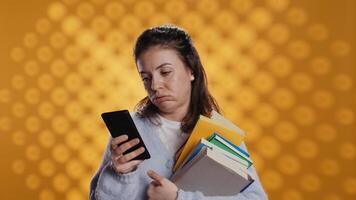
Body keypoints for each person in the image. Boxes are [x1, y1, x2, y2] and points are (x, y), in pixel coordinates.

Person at [89, 24, 268, 200]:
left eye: (165, 72)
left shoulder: (220, 134)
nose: (155, 86)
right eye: (145, 78)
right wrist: (120, 174)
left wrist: (178, 197)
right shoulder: (131, 133)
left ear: (191, 70)